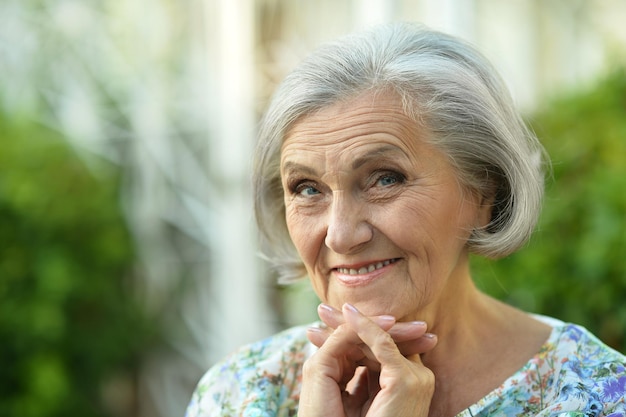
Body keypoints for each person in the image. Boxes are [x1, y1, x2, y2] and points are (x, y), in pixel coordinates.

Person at [185, 22, 626, 416]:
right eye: (307, 188)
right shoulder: (238, 393)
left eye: (384, 179)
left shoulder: (595, 394)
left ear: (484, 190)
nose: (340, 234)